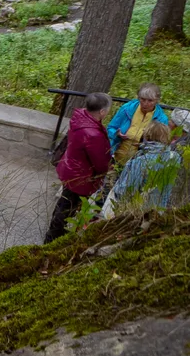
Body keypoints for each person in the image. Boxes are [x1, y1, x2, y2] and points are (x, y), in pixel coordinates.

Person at [45, 91, 113, 242]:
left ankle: (54, 235)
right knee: (67, 209)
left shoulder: (80, 119)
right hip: (81, 177)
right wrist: (107, 168)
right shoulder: (93, 134)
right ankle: (53, 239)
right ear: (102, 112)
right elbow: (100, 161)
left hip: (71, 169)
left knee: (64, 204)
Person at [102, 121, 182, 219]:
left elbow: (126, 191)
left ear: (147, 137)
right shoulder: (175, 157)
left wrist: (115, 191)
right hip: (158, 210)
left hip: (134, 214)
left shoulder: (141, 161)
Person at [107, 84, 172, 165]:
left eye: (150, 100)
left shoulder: (161, 119)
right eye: (142, 99)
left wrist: (144, 145)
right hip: (116, 156)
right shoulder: (126, 109)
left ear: (157, 100)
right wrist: (116, 134)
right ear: (138, 97)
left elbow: (160, 144)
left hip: (139, 163)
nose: (145, 103)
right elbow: (110, 128)